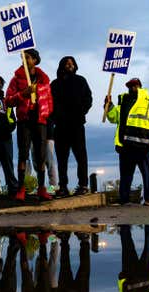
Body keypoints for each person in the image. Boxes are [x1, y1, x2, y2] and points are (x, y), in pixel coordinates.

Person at [105, 78, 149, 205]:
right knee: (126, 175)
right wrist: (109, 106)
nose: (132, 88)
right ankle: (124, 199)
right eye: (130, 86)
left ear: (140, 86)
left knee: (147, 174)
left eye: (134, 85)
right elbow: (114, 118)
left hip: (144, 145)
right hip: (126, 145)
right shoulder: (123, 103)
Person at [5, 49, 54, 201]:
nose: (24, 60)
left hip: (40, 121)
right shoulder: (16, 79)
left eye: (27, 57)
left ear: (35, 60)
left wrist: (46, 114)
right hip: (24, 121)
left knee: (41, 156)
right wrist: (22, 95)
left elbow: (49, 101)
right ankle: (21, 189)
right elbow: (8, 100)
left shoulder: (44, 80)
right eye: (22, 57)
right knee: (23, 154)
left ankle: (41, 188)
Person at [50, 56, 93, 197]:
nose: (70, 65)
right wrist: (55, 117)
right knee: (62, 158)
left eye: (72, 63)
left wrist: (81, 111)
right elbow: (49, 104)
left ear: (75, 66)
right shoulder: (55, 84)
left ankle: (83, 185)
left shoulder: (81, 80)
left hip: (77, 124)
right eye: (67, 63)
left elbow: (88, 98)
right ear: (62, 65)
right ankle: (63, 187)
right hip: (61, 126)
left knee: (81, 156)